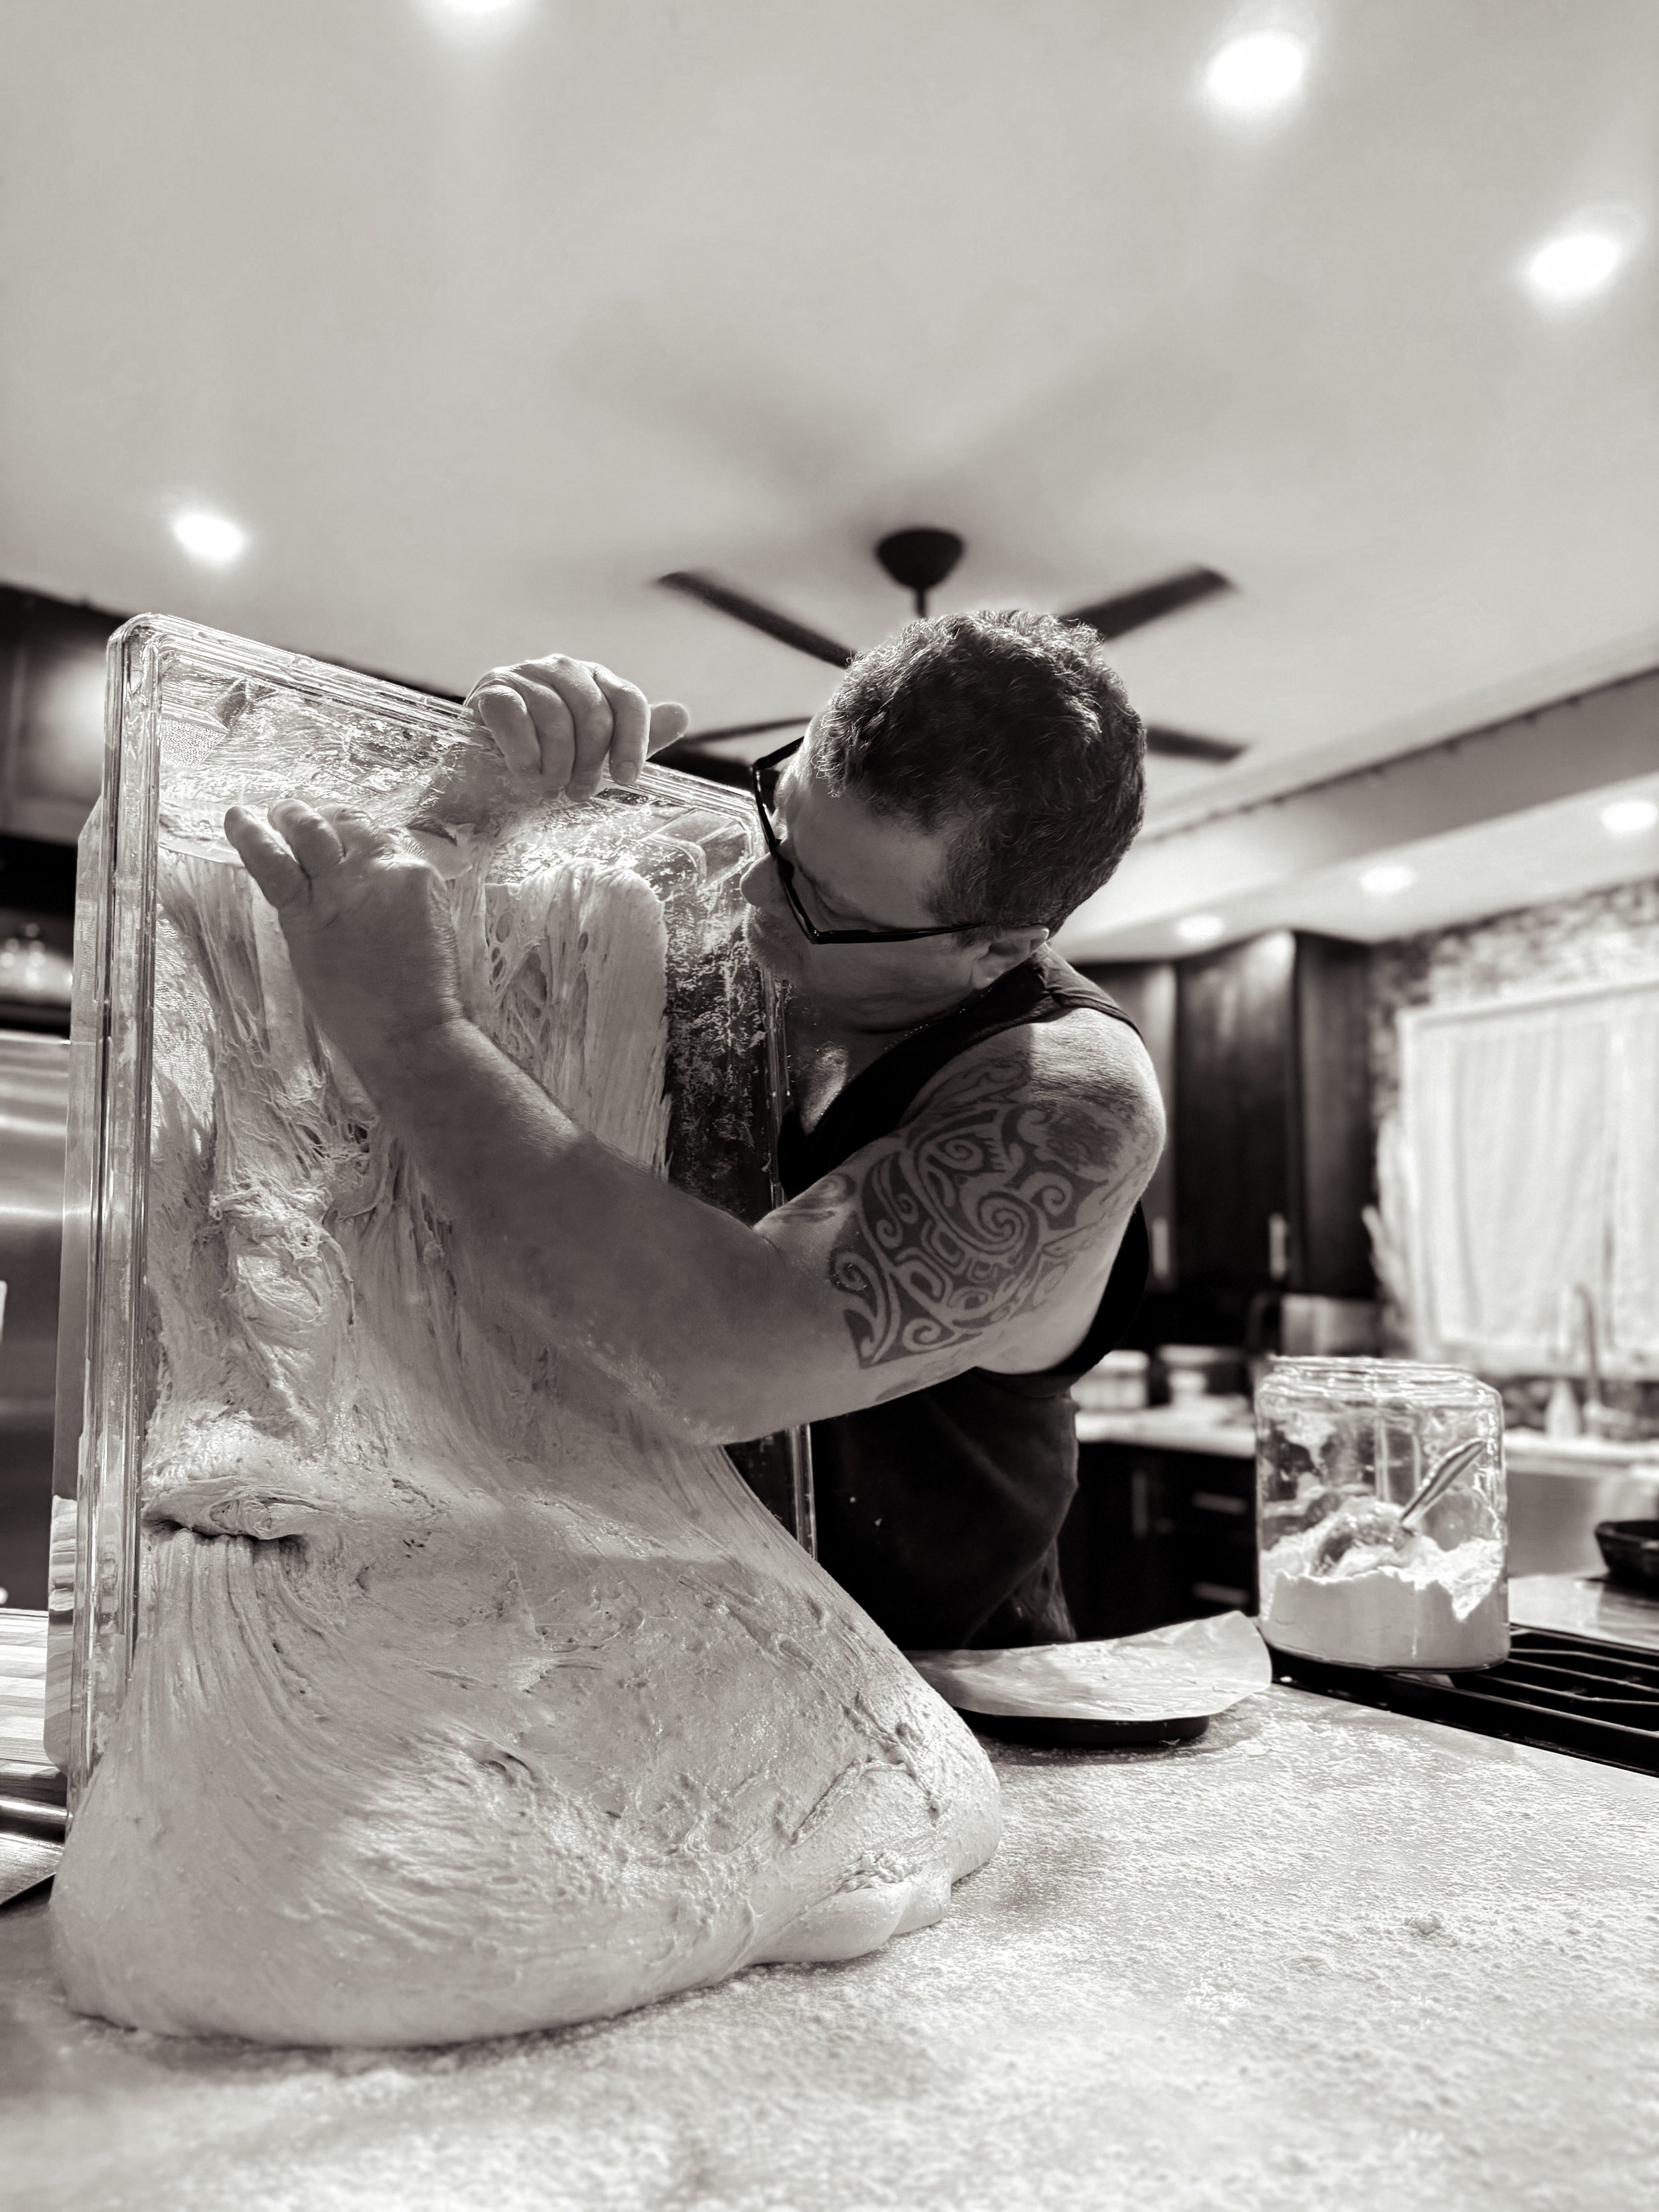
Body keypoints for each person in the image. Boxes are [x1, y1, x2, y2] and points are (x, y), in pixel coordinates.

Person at [224, 609, 1164, 1651]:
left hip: (945, 1685)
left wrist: (413, 1032)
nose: (754, 886)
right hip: (632, 1623)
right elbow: (392, 929)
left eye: (823, 898)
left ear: (996, 948)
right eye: (781, 816)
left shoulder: (1072, 1103)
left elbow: (727, 1352)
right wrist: (474, 803)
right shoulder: (759, 907)